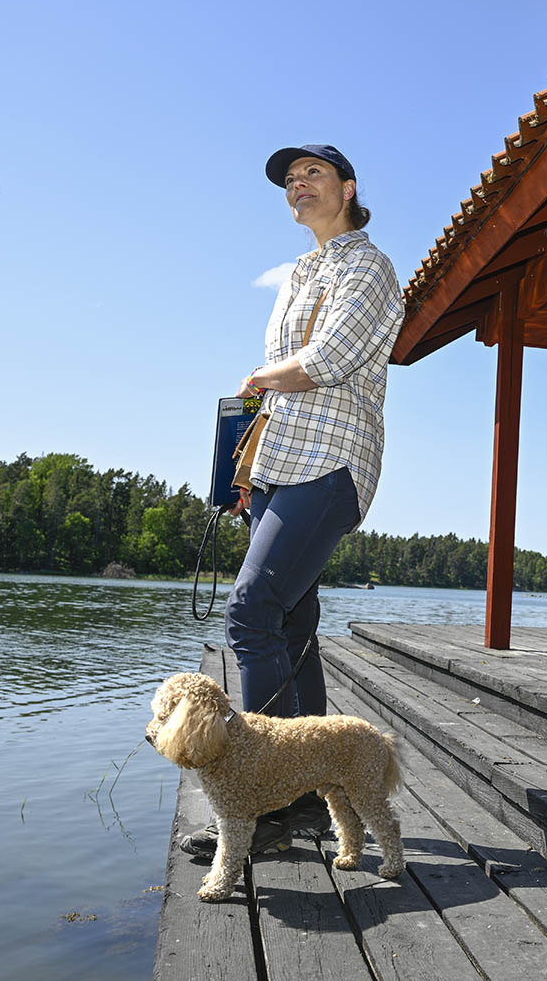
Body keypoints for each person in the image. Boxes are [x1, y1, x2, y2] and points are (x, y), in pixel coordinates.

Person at [181, 144, 404, 859]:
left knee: (252, 610)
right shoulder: (301, 272)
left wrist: (256, 378)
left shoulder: (366, 265)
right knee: (295, 623)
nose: (297, 186)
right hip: (281, 461)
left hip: (333, 460)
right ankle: (310, 795)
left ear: (348, 187)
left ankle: (269, 794)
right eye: (289, 180)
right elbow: (287, 381)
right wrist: (249, 465)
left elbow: (329, 360)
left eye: (312, 174)